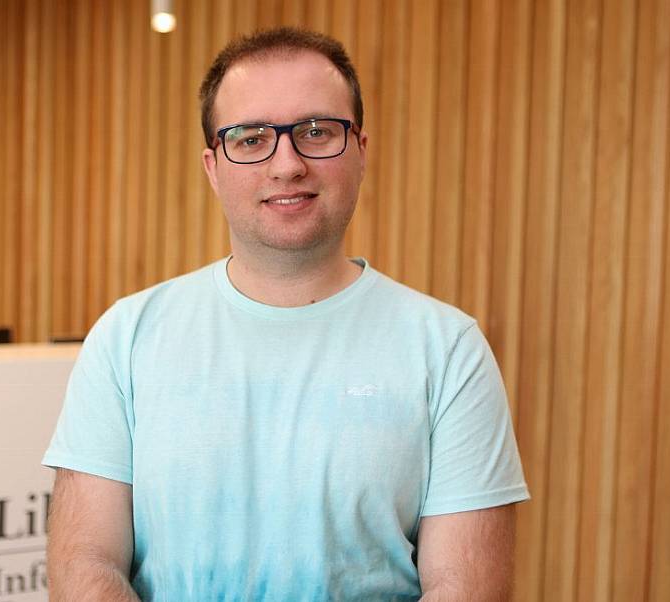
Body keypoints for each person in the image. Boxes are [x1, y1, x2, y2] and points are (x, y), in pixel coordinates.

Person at [42, 26, 529, 601]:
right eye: (250, 139)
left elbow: (466, 589)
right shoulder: (125, 337)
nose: (287, 164)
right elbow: (84, 568)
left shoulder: (448, 350)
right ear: (212, 166)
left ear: (361, 152)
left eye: (317, 131)